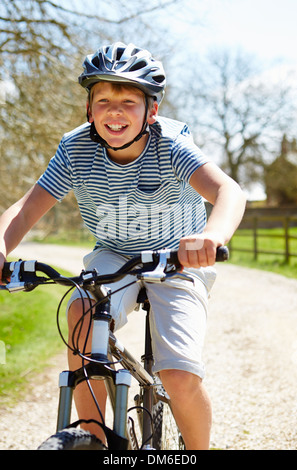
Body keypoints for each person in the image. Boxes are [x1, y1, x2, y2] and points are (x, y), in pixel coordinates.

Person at [0, 42, 246, 450]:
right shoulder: (76, 149)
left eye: (129, 101)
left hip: (178, 256)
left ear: (151, 111)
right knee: (81, 309)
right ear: (88, 108)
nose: (115, 111)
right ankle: (95, 438)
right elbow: (26, 210)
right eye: (103, 100)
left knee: (179, 376)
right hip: (115, 252)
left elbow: (228, 190)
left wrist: (212, 237)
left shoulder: (169, 145)